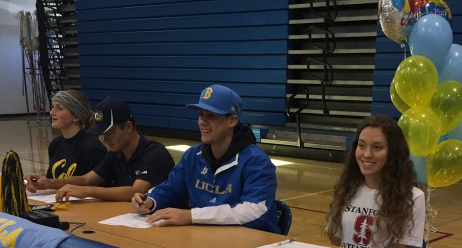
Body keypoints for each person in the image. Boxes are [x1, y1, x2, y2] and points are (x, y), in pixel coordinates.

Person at [131, 85, 279, 232]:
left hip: (252, 245)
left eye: (211, 116)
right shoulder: (192, 156)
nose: (202, 121)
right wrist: (150, 201)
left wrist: (192, 216)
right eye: (201, 115)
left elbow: (253, 211)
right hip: (205, 239)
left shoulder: (257, 162)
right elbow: (171, 189)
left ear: (232, 121)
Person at [27, 97, 174, 202]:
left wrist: (88, 191)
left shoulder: (155, 154)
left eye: (110, 133)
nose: (106, 139)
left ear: (128, 127)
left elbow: (136, 190)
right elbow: (86, 179)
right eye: (103, 135)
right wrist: (49, 183)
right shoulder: (116, 154)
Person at [325, 115, 425, 248]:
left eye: (377, 147)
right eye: (361, 145)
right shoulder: (346, 188)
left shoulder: (413, 197)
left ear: (393, 152)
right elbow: (336, 242)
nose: (367, 154)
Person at [42, 89, 107, 181]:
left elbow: (98, 187)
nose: (52, 112)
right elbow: (51, 181)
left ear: (76, 117)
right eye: (53, 107)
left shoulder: (92, 148)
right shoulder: (54, 144)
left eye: (59, 108)